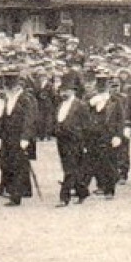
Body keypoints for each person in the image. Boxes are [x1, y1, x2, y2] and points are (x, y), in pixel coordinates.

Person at [0, 71, 36, 206]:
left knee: (18, 166)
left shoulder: (26, 99)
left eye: (8, 88)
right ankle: (20, 191)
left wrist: (25, 138)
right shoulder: (8, 99)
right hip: (7, 138)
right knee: (9, 164)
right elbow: (4, 120)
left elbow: (29, 120)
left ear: (16, 87)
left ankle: (15, 196)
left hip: (20, 137)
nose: (6, 90)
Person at [54, 75, 92, 207]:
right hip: (61, 140)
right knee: (69, 168)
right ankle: (82, 191)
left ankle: (64, 197)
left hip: (75, 140)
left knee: (70, 169)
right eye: (62, 90)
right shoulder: (60, 105)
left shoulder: (80, 105)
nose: (63, 93)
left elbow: (87, 125)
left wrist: (85, 142)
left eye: (66, 90)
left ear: (73, 91)